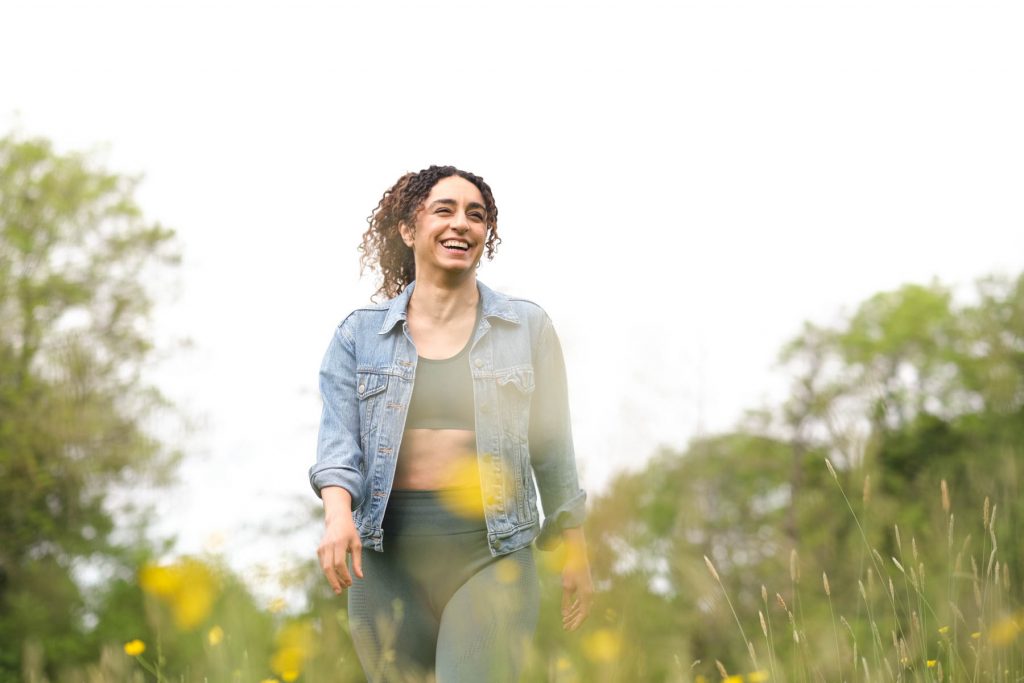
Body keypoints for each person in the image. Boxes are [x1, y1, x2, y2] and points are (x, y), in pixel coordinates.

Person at [309, 165, 593, 681]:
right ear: (408, 229)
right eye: (444, 210)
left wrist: (574, 546)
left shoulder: (526, 327)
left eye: (476, 215)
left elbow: (553, 447)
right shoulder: (359, 335)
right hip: (385, 556)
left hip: (493, 552)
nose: (461, 223)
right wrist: (336, 516)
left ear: (487, 235)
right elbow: (337, 445)